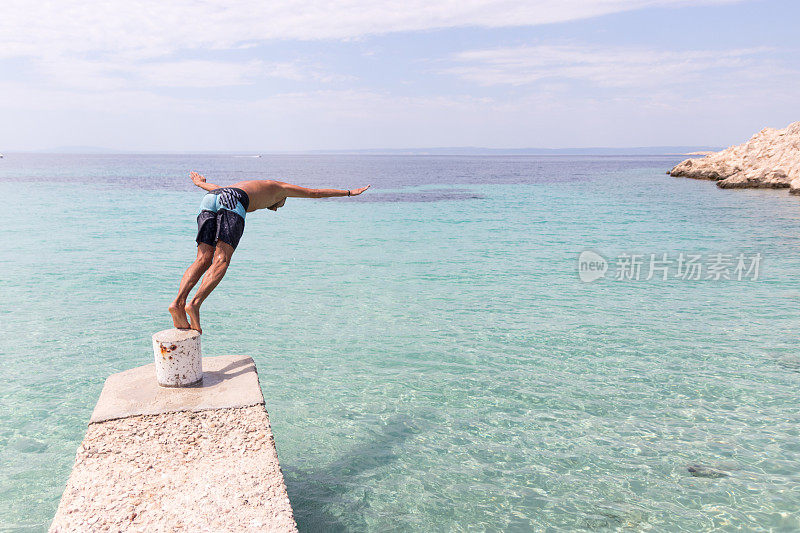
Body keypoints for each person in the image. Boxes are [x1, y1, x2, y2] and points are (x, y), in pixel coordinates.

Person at [169, 171, 370, 333]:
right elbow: (314, 192)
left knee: (203, 258)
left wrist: (200, 183)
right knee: (221, 259)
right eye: (280, 205)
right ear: (281, 198)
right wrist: (349, 193)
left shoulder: (253, 188)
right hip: (232, 200)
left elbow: (217, 190)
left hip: (210, 198)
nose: (277, 208)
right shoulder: (280, 188)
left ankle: (178, 303)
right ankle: (194, 304)